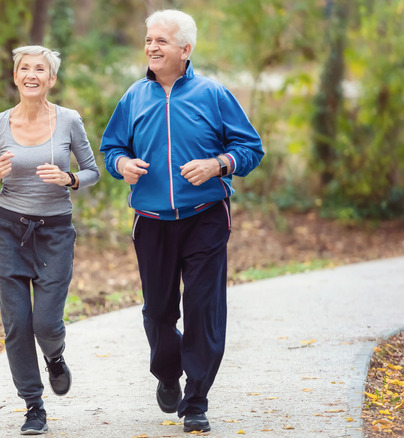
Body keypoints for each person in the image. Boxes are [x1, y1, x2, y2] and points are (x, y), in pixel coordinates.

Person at [99, 9, 264, 434]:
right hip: (151, 220)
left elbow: (250, 148)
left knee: (203, 309)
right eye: (149, 39)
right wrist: (122, 164)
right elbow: (111, 147)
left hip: (205, 217)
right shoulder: (134, 96)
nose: (152, 47)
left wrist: (218, 164)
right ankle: (168, 373)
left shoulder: (213, 94)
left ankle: (196, 400)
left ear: (185, 50)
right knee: (158, 313)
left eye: (161, 41)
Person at [0, 45, 100, 435]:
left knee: (45, 322)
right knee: (16, 323)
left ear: (51, 79)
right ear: (16, 77)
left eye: (40, 69)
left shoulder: (69, 120)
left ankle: (55, 356)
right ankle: (33, 405)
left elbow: (93, 170)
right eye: (24, 68)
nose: (31, 74)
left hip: (55, 233)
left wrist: (71, 179)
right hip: (10, 231)